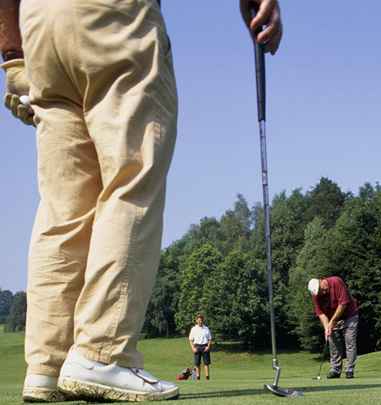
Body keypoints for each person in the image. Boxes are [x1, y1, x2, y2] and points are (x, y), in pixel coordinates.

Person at [0, 0, 283, 402]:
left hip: (39, 25)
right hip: (111, 16)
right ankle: (102, 352)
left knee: (62, 209)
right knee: (132, 178)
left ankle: (47, 367)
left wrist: (12, 56)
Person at [308, 276, 359, 379]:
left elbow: (343, 304)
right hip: (332, 317)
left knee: (350, 342)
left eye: (321, 290)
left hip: (350, 315)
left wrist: (332, 322)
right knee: (333, 342)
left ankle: (349, 370)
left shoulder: (336, 281)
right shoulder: (316, 295)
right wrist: (327, 327)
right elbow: (321, 313)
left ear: (321, 281)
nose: (322, 293)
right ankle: (335, 370)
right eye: (319, 292)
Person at [188, 314, 213, 381]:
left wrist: (208, 346)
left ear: (203, 320)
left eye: (201, 320)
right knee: (197, 363)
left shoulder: (206, 328)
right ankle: (198, 377)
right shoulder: (193, 329)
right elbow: (190, 339)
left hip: (205, 346)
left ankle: (207, 377)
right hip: (197, 346)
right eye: (198, 320)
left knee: (206, 363)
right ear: (196, 321)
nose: (200, 321)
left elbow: (210, 339)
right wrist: (193, 348)